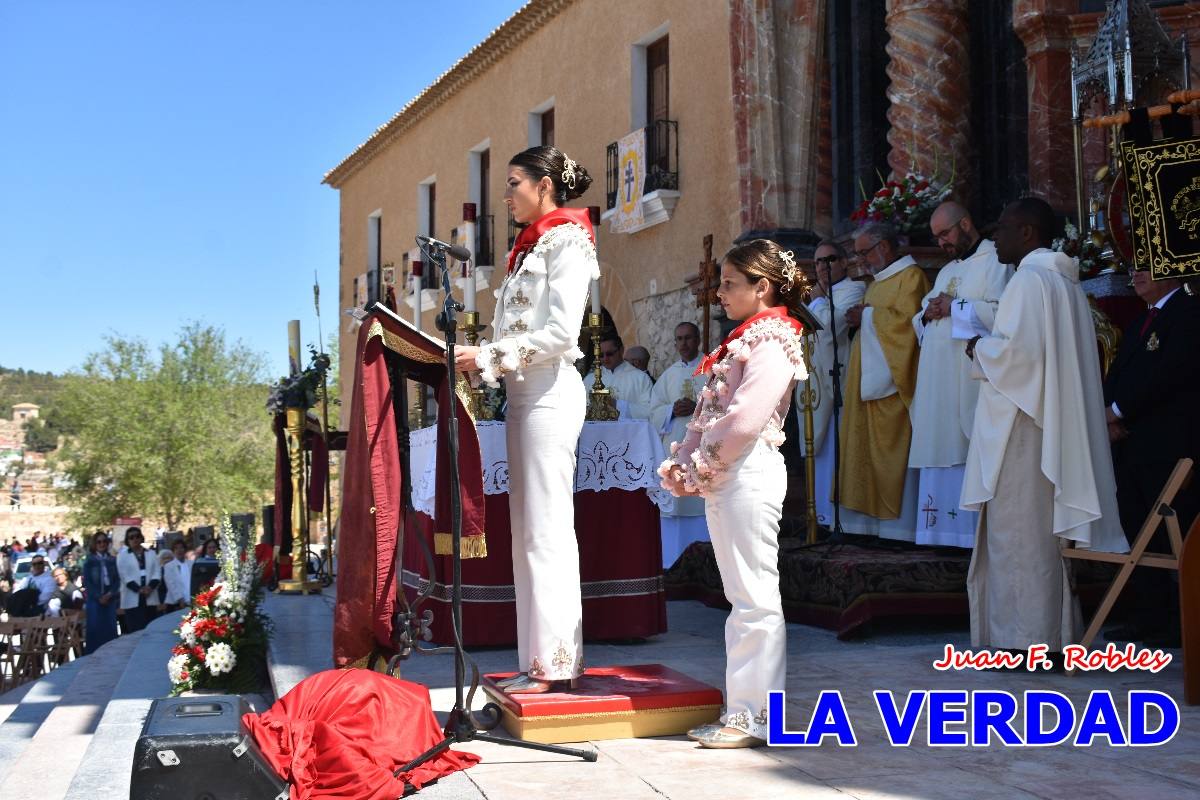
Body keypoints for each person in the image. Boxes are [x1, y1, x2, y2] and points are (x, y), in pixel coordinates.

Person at [455, 144, 597, 693]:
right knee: (526, 532)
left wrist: (487, 356)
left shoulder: (569, 240)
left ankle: (557, 663)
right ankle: (538, 659)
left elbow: (562, 334)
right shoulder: (529, 246)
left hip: (548, 394)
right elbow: (514, 332)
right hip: (522, 395)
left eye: (514, 183)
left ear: (544, 186)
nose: (507, 195)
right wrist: (484, 359)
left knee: (547, 531)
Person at [961, 197, 1127, 655]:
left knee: (1019, 536)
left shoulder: (1031, 281)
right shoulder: (1061, 281)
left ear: (1028, 233)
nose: (996, 237)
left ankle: (1024, 641)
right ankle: (1047, 635)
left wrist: (979, 347)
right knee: (1036, 536)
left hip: (1024, 424)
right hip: (1044, 419)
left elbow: (1020, 358)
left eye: (1004, 228)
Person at [660, 239, 808, 748]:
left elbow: (744, 419)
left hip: (748, 471)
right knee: (742, 597)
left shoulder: (775, 339)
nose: (718, 293)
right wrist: (685, 463)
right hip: (731, 473)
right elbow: (710, 415)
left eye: (729, 283)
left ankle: (757, 716)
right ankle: (744, 711)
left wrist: (699, 466)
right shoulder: (748, 338)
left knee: (754, 600)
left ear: (761, 287)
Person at [1104, 270, 1200, 647]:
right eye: (1134, 267)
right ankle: (1148, 616)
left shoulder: (1189, 313)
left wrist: (1118, 411)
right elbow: (1118, 373)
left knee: (1175, 532)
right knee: (1138, 529)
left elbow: (1170, 375)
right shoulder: (1142, 319)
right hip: (1132, 444)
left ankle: (1183, 619)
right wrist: (1107, 414)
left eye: (1146, 267)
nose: (1136, 274)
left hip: (1170, 444)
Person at [909, 202, 1013, 548]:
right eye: (936, 237)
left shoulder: (995, 260)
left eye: (945, 234)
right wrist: (928, 313)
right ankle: (937, 535)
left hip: (967, 380)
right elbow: (922, 316)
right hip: (937, 384)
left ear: (966, 223)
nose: (942, 243)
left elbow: (1003, 314)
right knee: (939, 443)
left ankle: (968, 537)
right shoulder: (946, 270)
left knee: (963, 448)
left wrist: (954, 307)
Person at [838, 222, 929, 539]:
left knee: (894, 453)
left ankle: (898, 531)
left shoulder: (911, 277)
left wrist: (865, 316)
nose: (861, 259)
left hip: (893, 388)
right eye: (858, 253)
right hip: (867, 383)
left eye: (864, 252)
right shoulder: (876, 284)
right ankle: (866, 527)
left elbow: (907, 328)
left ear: (886, 247)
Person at [796, 239, 866, 529]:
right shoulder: (816, 299)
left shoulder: (854, 290)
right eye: (818, 262)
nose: (823, 267)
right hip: (813, 386)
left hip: (839, 381)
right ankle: (820, 518)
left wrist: (816, 301)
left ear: (845, 263)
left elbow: (827, 330)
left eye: (830, 260)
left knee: (839, 449)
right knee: (821, 452)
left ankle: (843, 521)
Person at [649, 322, 709, 566]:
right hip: (675, 450)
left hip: (703, 448)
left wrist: (697, 407)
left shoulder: (711, 368)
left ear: (698, 340)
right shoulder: (668, 376)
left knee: (703, 507)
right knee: (675, 507)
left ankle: (706, 563)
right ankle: (672, 565)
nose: (684, 344)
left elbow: (725, 403)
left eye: (688, 338)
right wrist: (670, 410)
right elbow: (653, 411)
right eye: (679, 339)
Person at [583, 331, 654, 419]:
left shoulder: (640, 379)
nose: (605, 359)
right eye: (601, 355)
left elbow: (650, 411)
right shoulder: (589, 380)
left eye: (609, 354)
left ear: (621, 350)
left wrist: (617, 404)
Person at [117, 527, 163, 633]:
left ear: (141, 537)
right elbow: (124, 576)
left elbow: (157, 572)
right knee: (135, 631)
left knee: (151, 630)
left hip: (150, 596)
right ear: (127, 540)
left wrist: (150, 587)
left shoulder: (151, 553)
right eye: (131, 537)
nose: (135, 539)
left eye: (137, 536)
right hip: (132, 598)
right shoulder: (122, 556)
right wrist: (139, 589)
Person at [82, 531, 119, 653]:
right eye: (99, 542)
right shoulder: (89, 562)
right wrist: (99, 596)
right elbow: (88, 582)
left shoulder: (112, 560)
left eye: (104, 541)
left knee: (110, 630)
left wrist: (110, 594)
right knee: (95, 630)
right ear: (94, 544)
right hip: (95, 601)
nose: (102, 544)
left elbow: (117, 580)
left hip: (110, 600)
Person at [162, 538, 194, 610]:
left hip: (191, 600)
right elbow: (171, 584)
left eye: (181, 548)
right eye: (176, 548)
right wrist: (180, 599)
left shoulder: (191, 564)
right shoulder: (168, 566)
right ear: (173, 551)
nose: (179, 550)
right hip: (176, 603)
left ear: (185, 549)